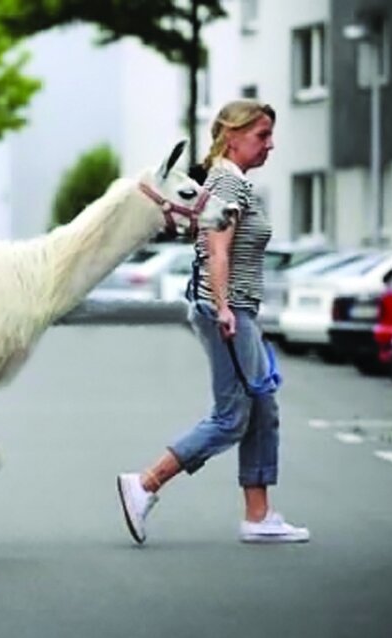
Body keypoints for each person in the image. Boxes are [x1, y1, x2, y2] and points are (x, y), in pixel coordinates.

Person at [117, 99, 310, 545]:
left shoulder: (232, 181)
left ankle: (258, 517)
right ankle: (143, 484)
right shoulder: (226, 183)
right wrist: (223, 308)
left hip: (236, 309)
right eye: (262, 136)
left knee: (262, 408)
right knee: (232, 416)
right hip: (228, 310)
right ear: (232, 135)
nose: (271, 145)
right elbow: (217, 250)